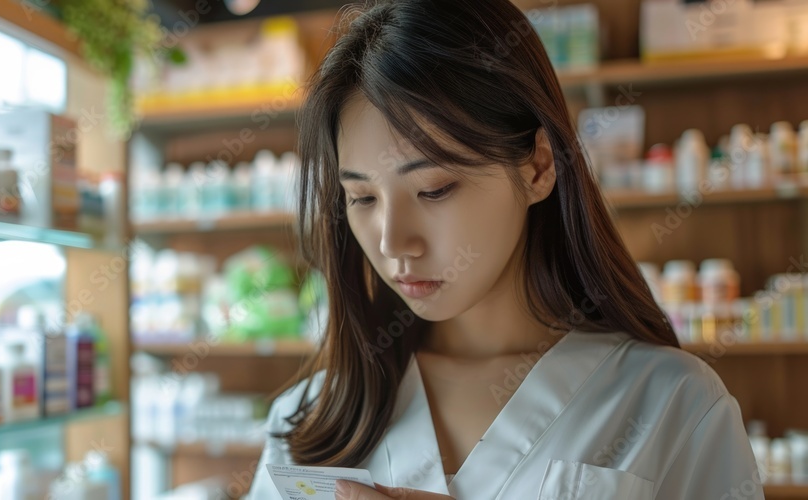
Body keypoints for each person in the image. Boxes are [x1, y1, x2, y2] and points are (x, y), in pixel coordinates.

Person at [246, 0, 763, 498]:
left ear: (538, 166)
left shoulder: (673, 404)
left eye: (434, 189)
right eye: (361, 197)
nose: (391, 242)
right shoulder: (310, 419)